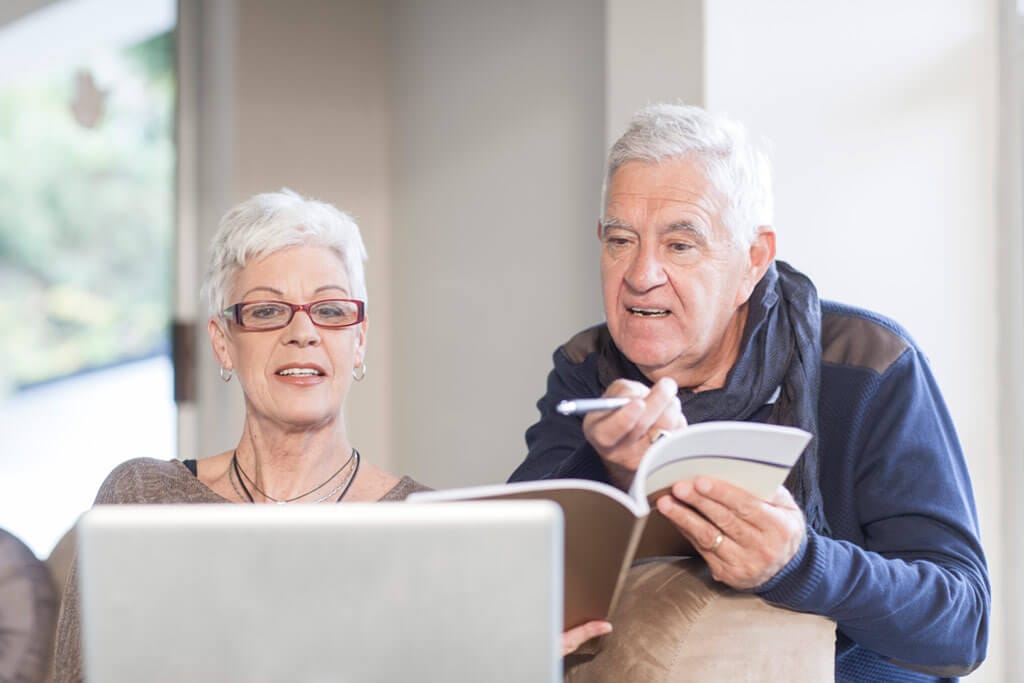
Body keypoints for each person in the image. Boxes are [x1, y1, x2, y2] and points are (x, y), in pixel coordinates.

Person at [509, 104, 990, 680]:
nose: (640, 274)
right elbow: (517, 581)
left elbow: (961, 625)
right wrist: (604, 468)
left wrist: (800, 562)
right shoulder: (586, 369)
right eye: (620, 240)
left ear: (753, 260)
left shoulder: (868, 363)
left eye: (680, 245)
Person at [52, 190, 606, 680]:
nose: (302, 332)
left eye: (331, 310)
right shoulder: (140, 498)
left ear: (358, 341)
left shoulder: (432, 526)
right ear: (223, 342)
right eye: (268, 311)